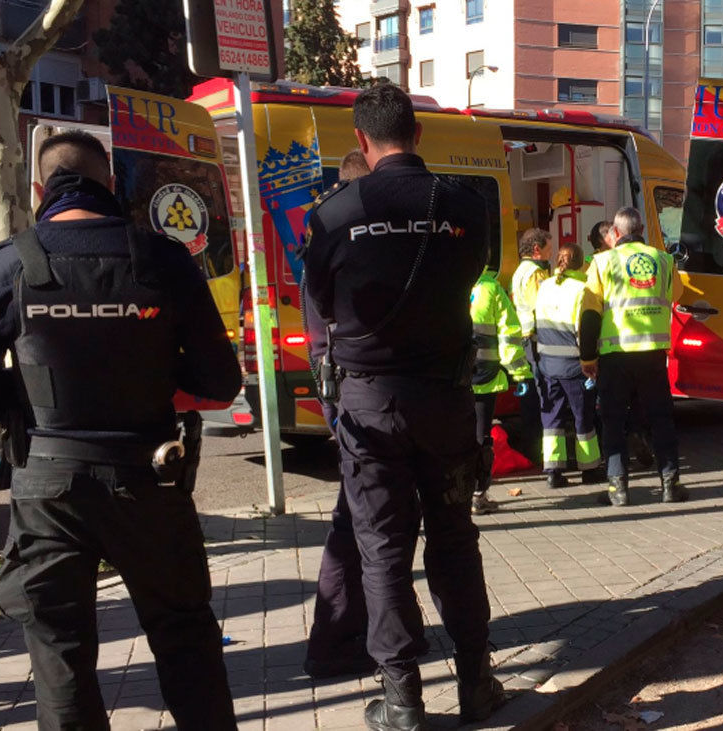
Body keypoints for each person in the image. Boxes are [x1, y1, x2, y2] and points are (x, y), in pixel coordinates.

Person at [0, 131, 240, 728]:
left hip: (49, 488)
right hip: (151, 480)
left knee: (60, 655)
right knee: (185, 638)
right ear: (111, 186)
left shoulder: (2, 267)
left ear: (38, 191)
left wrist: (37, 390)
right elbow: (220, 381)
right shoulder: (163, 259)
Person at [301, 83, 506, 730]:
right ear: (418, 135)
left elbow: (323, 309)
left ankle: (402, 701)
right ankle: (476, 681)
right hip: (446, 399)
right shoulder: (469, 207)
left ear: (361, 140)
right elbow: (475, 276)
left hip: (370, 405)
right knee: (455, 540)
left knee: (383, 549)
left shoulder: (333, 216)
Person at [303, 148, 376, 681]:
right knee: (354, 525)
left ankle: (366, 629)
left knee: (363, 521)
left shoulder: (321, 240)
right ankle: (332, 642)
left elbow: (318, 339)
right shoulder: (349, 239)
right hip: (360, 400)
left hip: (345, 398)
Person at [579, 207, 686, 506]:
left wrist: (587, 357)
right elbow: (675, 295)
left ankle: (619, 491)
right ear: (642, 231)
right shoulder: (664, 261)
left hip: (615, 356)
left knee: (613, 421)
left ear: (615, 232)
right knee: (661, 419)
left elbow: (589, 314)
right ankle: (670, 485)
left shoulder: (602, 262)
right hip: (652, 355)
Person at [534, 241, 603, 487]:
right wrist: (591, 360)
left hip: (547, 365)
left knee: (551, 419)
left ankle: (553, 471)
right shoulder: (582, 289)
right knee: (582, 417)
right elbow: (583, 330)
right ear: (581, 263)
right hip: (574, 366)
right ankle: (590, 468)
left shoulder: (544, 286)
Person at [468, 268, 534, 513]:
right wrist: (520, 372)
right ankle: (477, 495)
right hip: (484, 377)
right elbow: (508, 335)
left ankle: (448, 496)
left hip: (447, 380)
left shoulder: (442, 282)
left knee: (448, 438)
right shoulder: (491, 289)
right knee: (480, 436)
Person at [509, 228, 552, 462]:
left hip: (525, 338)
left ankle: (530, 446)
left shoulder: (519, 271)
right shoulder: (535, 273)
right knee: (539, 394)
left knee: (529, 395)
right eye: (548, 248)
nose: (551, 254)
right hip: (536, 339)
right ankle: (536, 449)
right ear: (537, 250)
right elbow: (541, 306)